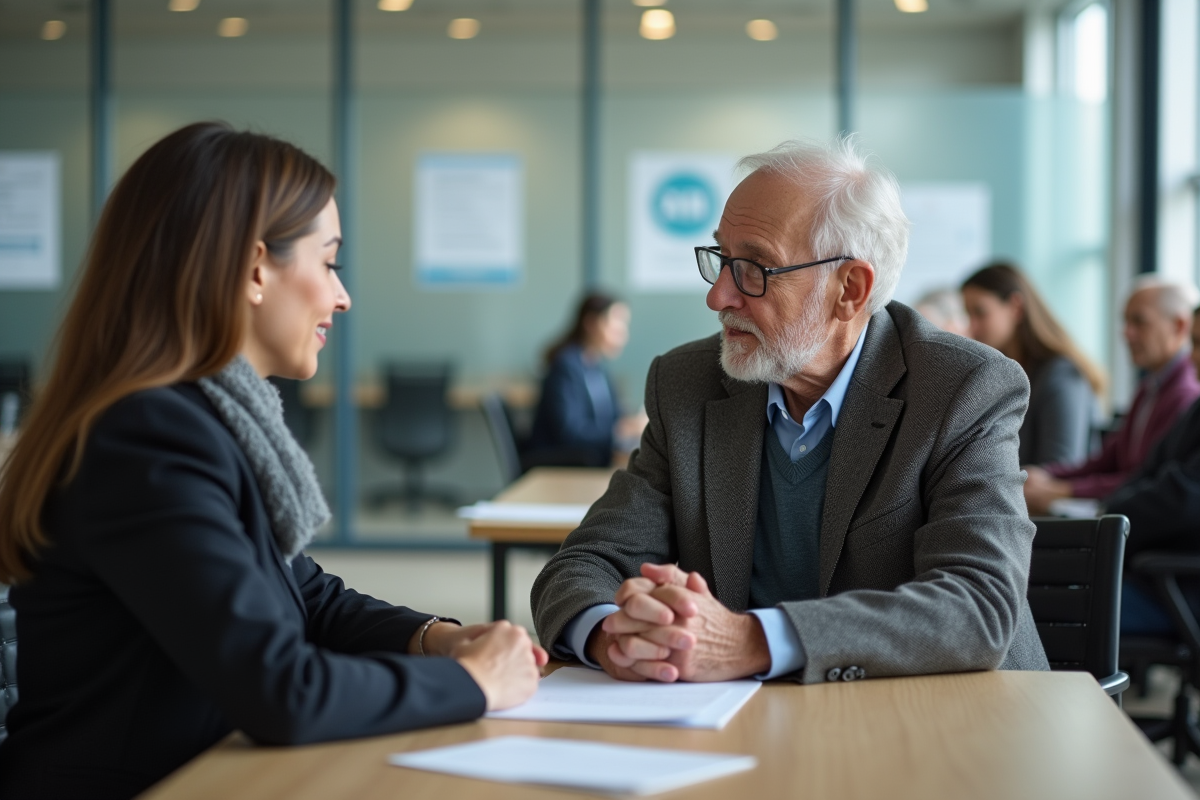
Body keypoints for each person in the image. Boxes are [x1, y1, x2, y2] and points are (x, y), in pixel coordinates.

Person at [0, 123, 546, 800]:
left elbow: (302, 594)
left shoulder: (205, 418)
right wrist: (473, 683)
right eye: (328, 262)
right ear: (256, 268)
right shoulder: (145, 436)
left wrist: (434, 639)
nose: (342, 297)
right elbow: (282, 690)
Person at [531, 138, 1049, 685]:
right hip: (745, 721)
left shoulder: (961, 387)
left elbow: (978, 605)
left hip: (948, 725)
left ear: (850, 289)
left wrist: (750, 641)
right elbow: (583, 563)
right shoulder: (688, 384)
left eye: (754, 268)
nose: (719, 297)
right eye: (722, 260)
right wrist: (614, 635)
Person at [1024, 279, 1200, 515]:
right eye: (1125, 321)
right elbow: (1107, 461)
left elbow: (1145, 479)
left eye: (1139, 321)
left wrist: (1063, 489)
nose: (1126, 333)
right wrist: (1048, 475)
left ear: (1179, 326)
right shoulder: (1149, 388)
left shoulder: (1185, 395)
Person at [1103, 306, 1200, 634]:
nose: (1194, 357)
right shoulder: (1196, 411)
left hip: (1179, 591)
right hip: (1156, 577)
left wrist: (1111, 511)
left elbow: (1180, 500)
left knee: (1040, 607)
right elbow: (1147, 473)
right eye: (1195, 343)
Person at [960, 262, 1105, 466]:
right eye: (968, 314)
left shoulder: (1062, 375)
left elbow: (1059, 468)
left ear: (1015, 306)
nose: (972, 327)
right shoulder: (1000, 374)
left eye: (980, 312)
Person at [525, 293, 647, 468]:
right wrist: (621, 431)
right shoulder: (566, 366)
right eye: (615, 327)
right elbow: (570, 432)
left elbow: (615, 415)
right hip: (561, 462)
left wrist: (632, 423)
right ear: (591, 324)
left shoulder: (598, 366)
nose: (623, 335)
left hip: (589, 457)